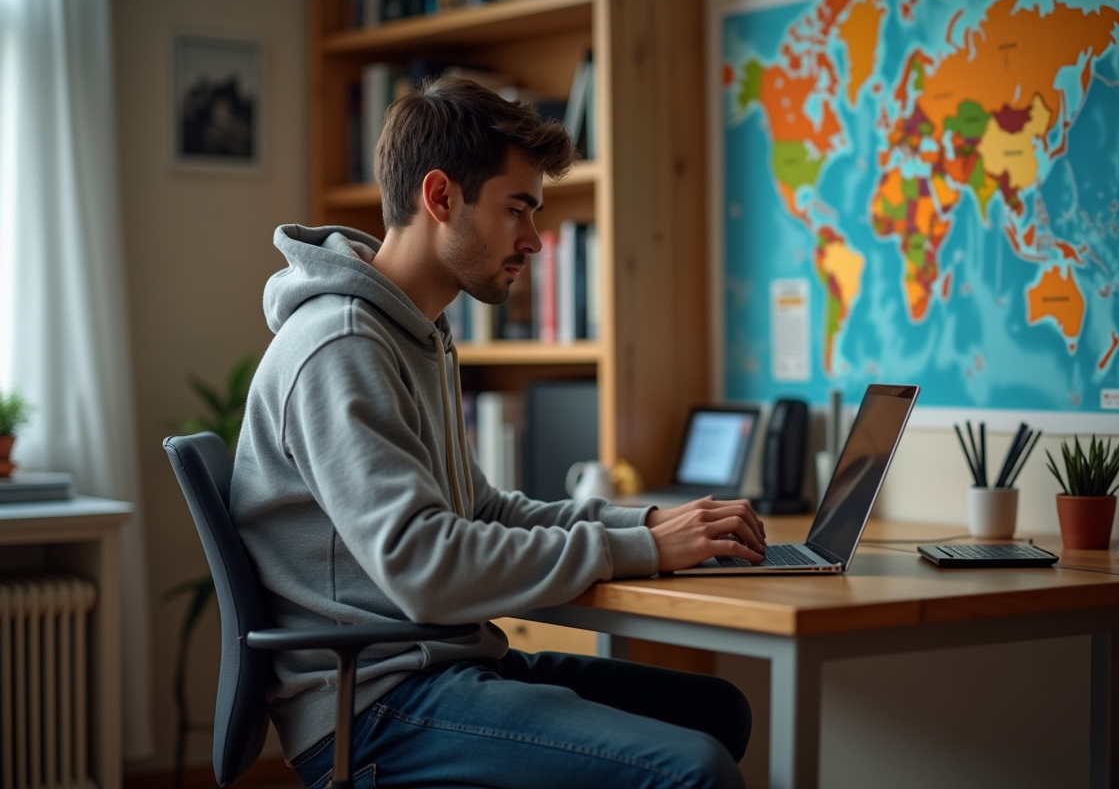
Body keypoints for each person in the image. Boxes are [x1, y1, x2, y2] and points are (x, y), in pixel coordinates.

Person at [230, 75, 768, 789]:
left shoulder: (416, 334)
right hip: (372, 707)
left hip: (439, 665)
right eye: (517, 209)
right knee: (694, 770)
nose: (535, 241)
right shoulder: (342, 346)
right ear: (440, 197)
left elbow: (481, 511)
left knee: (717, 712)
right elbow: (425, 568)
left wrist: (650, 524)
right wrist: (635, 548)